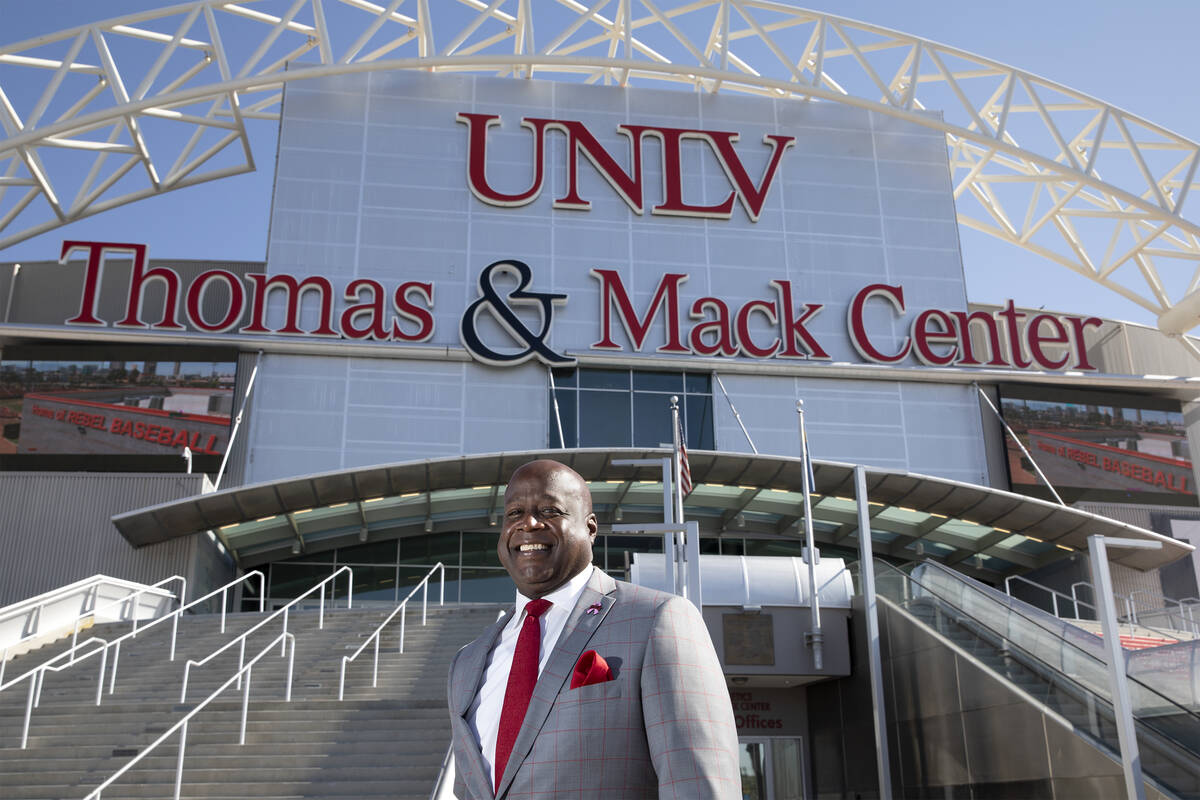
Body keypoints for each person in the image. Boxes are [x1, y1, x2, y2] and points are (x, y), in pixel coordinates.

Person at [446, 459, 740, 799]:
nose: (528, 523)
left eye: (550, 511)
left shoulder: (658, 619)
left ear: (590, 528)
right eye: (514, 513)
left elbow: (697, 785)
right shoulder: (466, 664)